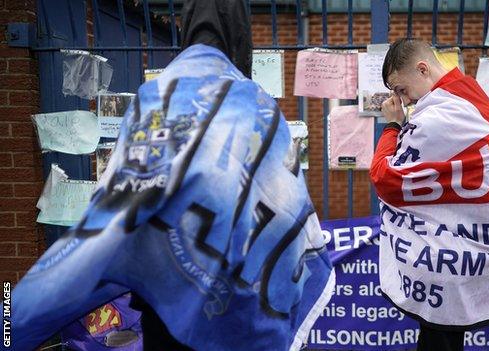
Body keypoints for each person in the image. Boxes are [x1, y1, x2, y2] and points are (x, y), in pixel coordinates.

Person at [11, 1, 335, 350]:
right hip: (237, 300)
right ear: (241, 37)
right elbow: (286, 202)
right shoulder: (259, 106)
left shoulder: (155, 96)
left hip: (162, 299)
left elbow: (122, 193)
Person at [369, 39, 489, 351]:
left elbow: (385, 177)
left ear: (423, 68)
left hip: (457, 247)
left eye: (401, 89)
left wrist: (392, 126)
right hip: (471, 241)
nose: (403, 100)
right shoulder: (471, 96)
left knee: (440, 335)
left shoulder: (438, 117)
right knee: (444, 334)